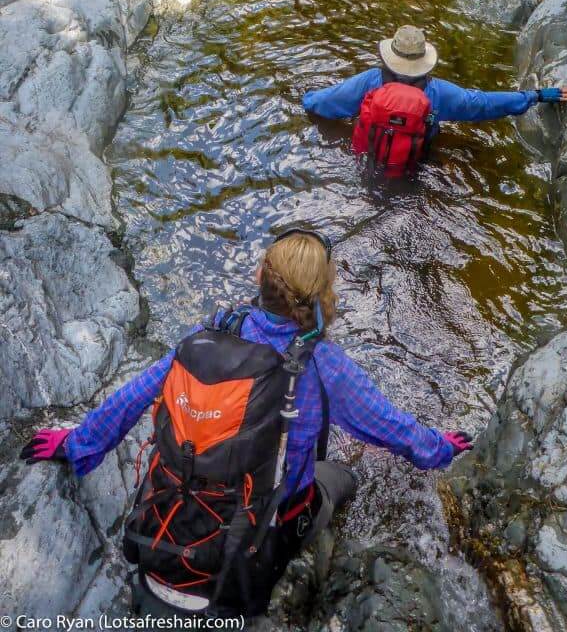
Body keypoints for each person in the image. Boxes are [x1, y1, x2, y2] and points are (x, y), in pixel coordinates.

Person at [21, 229, 472, 620]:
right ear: (322, 295)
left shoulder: (217, 329)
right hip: (254, 541)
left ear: (260, 276)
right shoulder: (322, 363)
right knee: (341, 477)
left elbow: (137, 393)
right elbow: (392, 428)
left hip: (170, 518)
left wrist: (76, 444)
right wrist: (442, 448)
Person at [302, 25, 567, 175]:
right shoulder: (439, 93)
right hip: (414, 166)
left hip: (366, 162)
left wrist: (305, 96)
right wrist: (536, 95)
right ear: (424, 63)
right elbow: (483, 104)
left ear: (389, 57)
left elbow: (321, 104)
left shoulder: (369, 82)